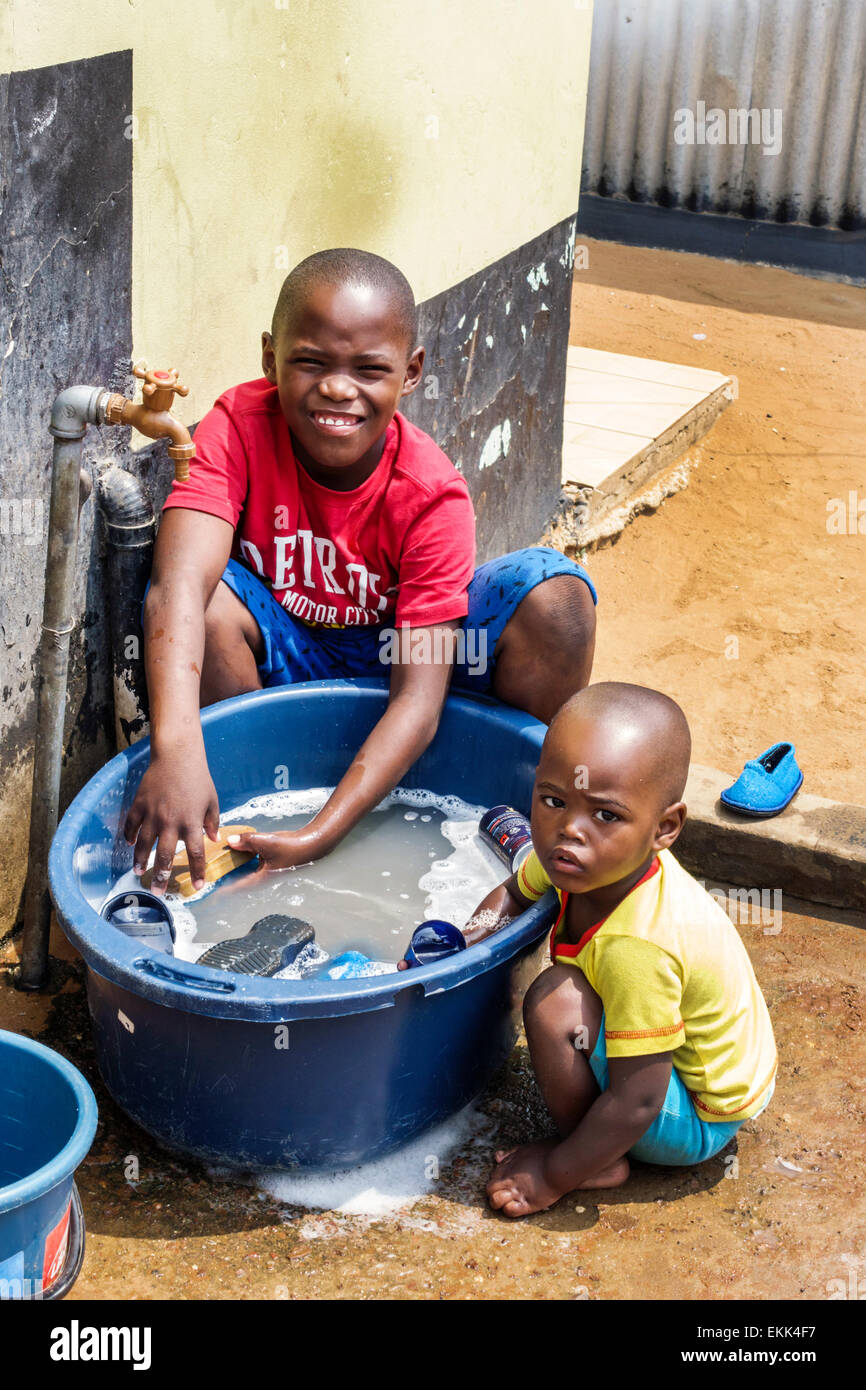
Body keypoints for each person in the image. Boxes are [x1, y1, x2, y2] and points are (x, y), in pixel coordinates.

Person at [124, 248, 597, 893]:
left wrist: (322, 834)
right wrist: (175, 748)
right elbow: (174, 584)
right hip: (288, 647)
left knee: (556, 600)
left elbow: (418, 700)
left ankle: (514, 799)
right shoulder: (237, 426)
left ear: (411, 372)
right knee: (203, 606)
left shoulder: (431, 495)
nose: (337, 388)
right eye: (311, 361)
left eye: (370, 369)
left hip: (406, 655)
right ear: (270, 357)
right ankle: (242, 802)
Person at [461, 681, 777, 1218]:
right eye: (553, 800)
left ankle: (596, 1161)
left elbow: (639, 1099)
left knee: (553, 1002)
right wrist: (461, 943)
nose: (570, 830)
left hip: (696, 1115)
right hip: (696, 1074)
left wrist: (556, 1173)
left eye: (606, 815)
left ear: (665, 828)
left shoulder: (639, 945)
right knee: (573, 993)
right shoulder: (583, 860)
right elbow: (513, 893)